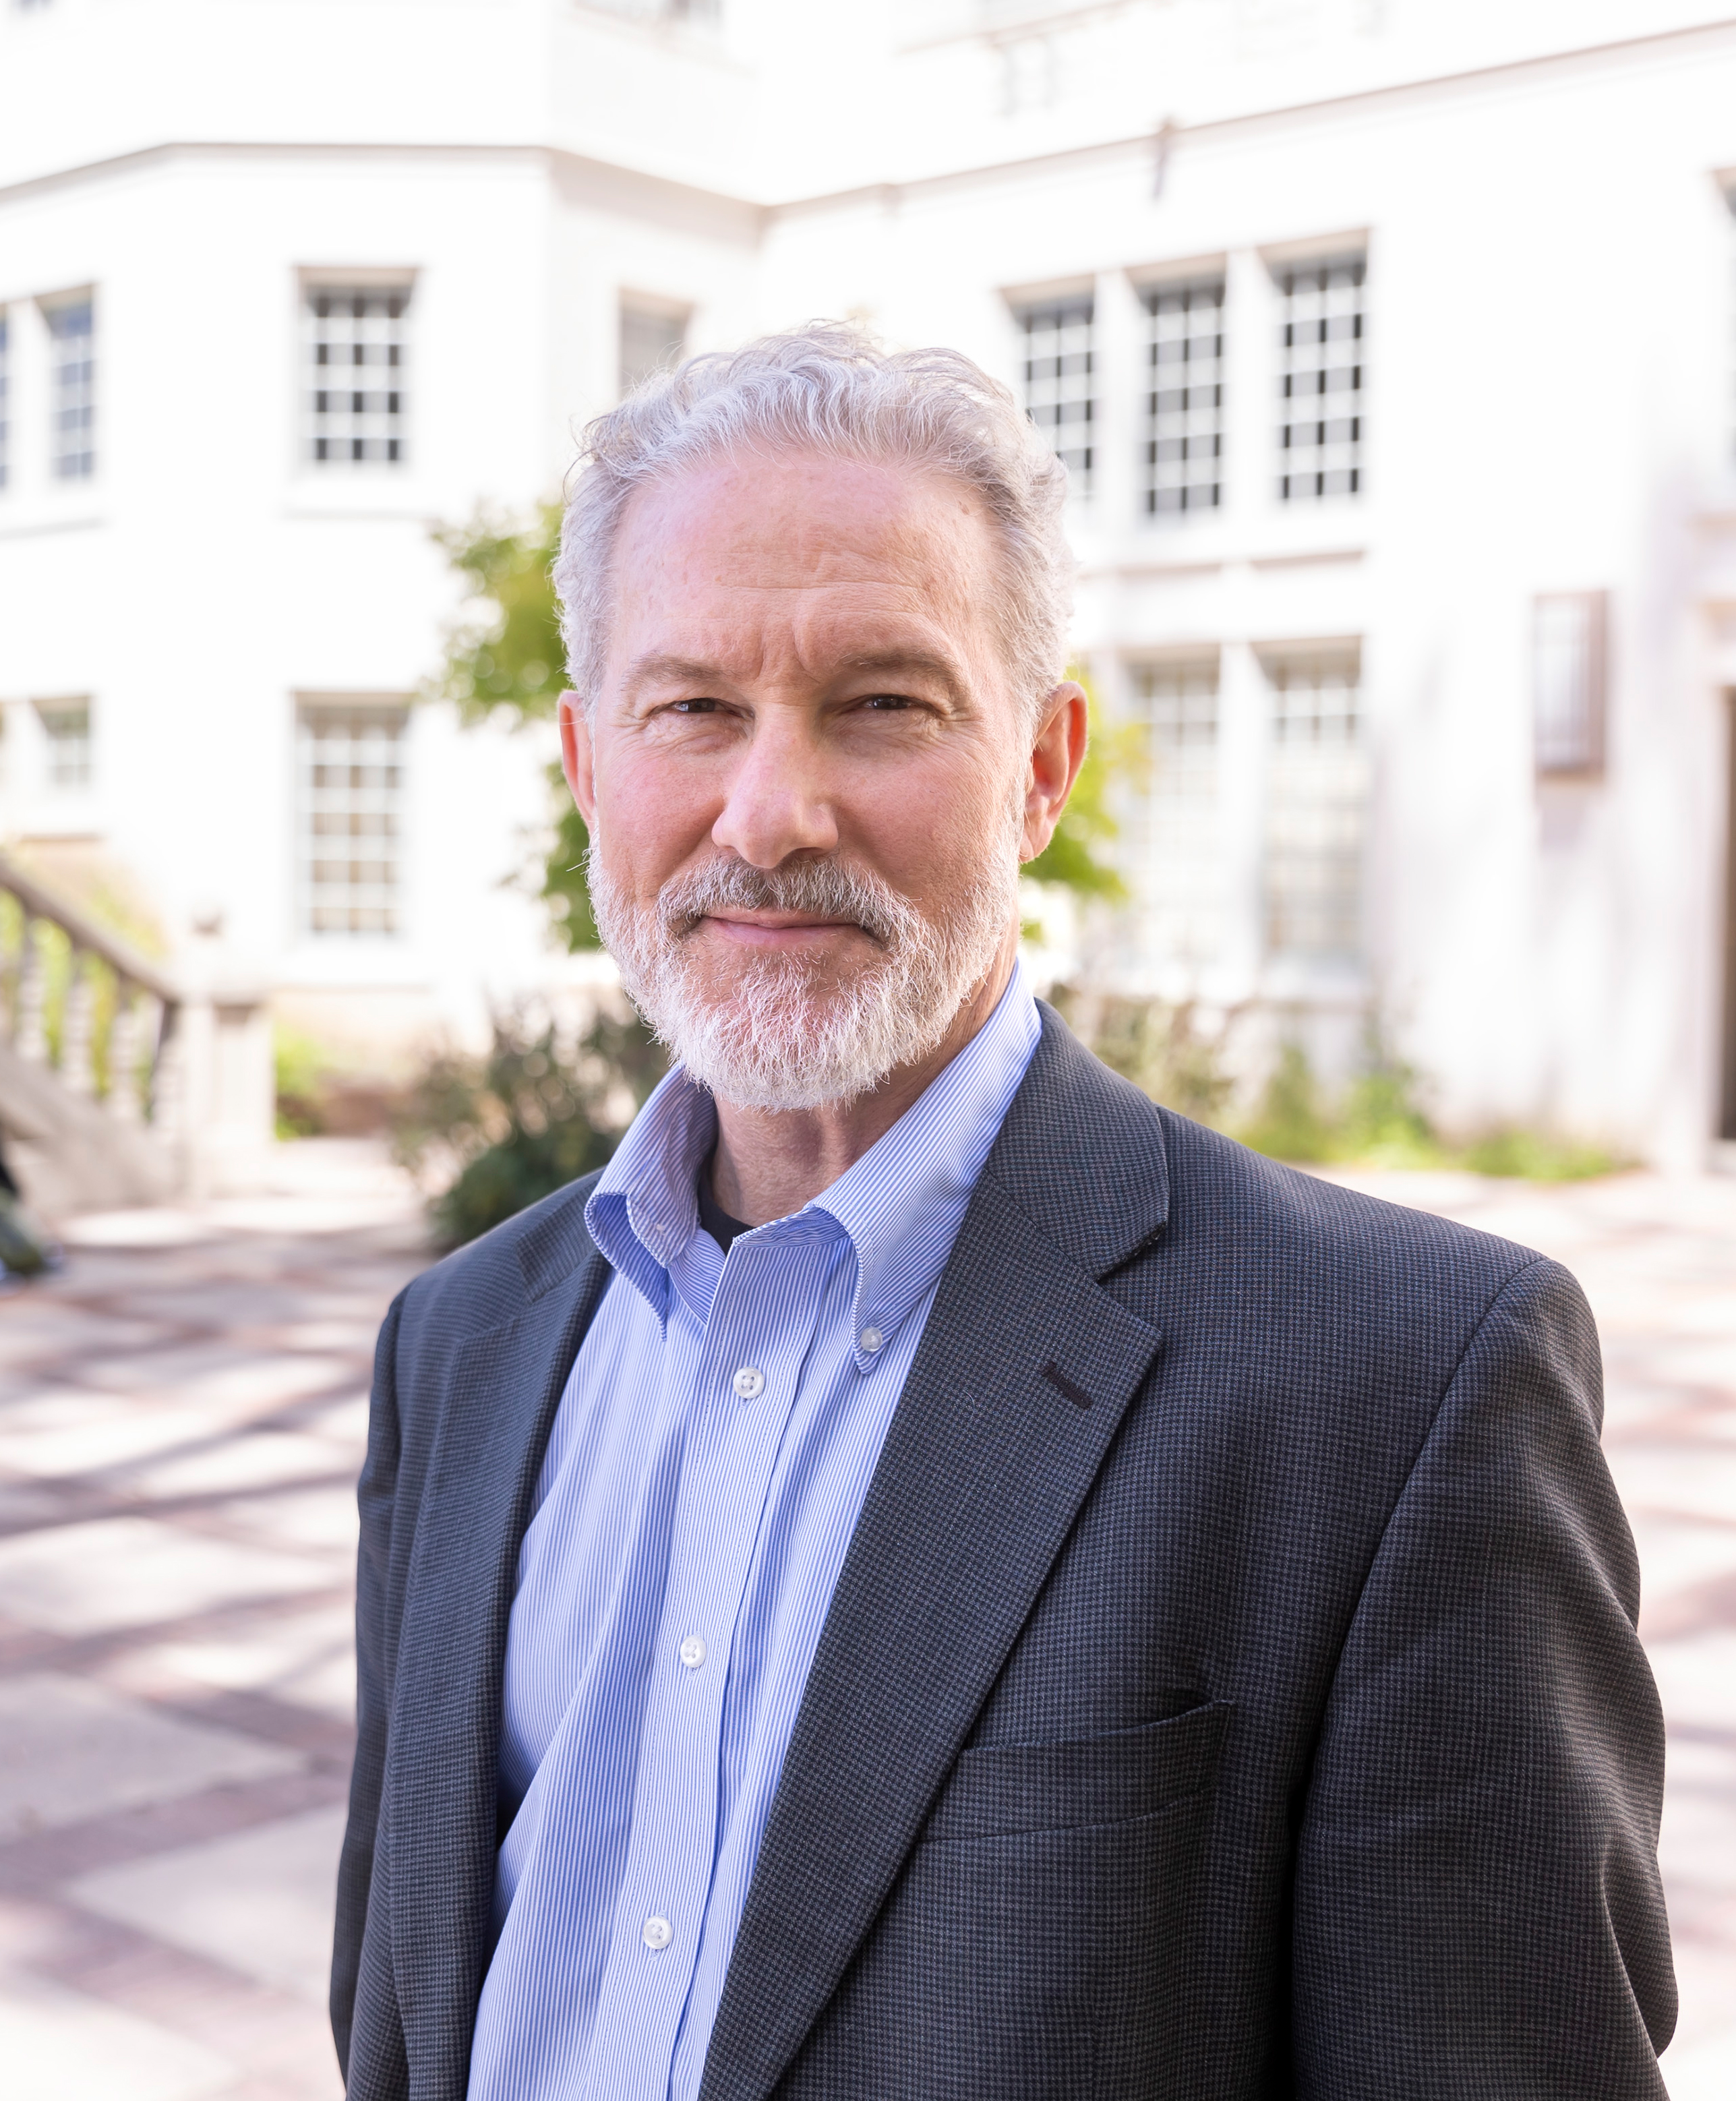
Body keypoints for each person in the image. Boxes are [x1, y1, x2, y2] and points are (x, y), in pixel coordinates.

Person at [331, 325, 1674, 2101]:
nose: (771, 806)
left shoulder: (1397, 1391)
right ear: (590, 762)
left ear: (1041, 765)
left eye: (882, 702)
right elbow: (406, 2010)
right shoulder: (462, 1345)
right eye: (692, 708)